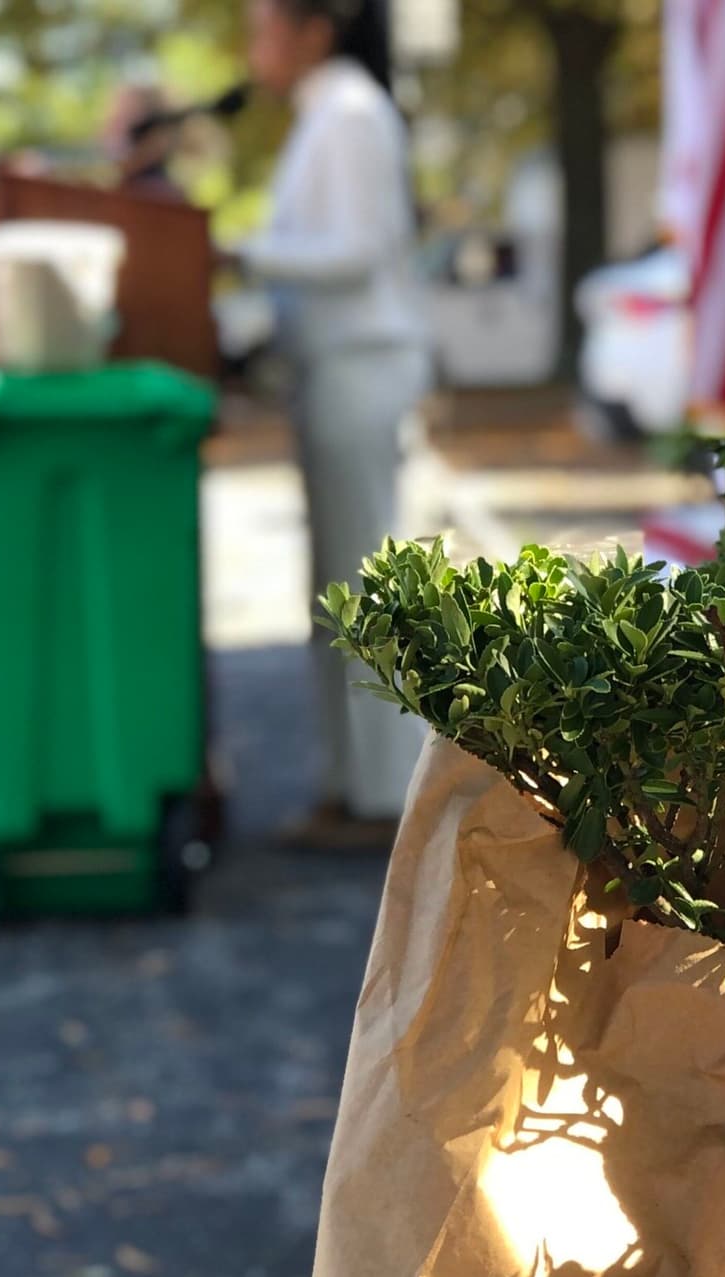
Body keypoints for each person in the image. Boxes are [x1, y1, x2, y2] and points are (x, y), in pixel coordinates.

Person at [242, 0, 429, 845]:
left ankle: (387, 796)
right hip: (332, 368)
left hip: (363, 364)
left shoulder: (350, 111)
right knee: (336, 594)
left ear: (315, 28)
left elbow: (357, 249)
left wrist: (240, 251)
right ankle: (353, 786)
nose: (253, 48)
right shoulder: (325, 111)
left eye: (263, 26)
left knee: (362, 590)